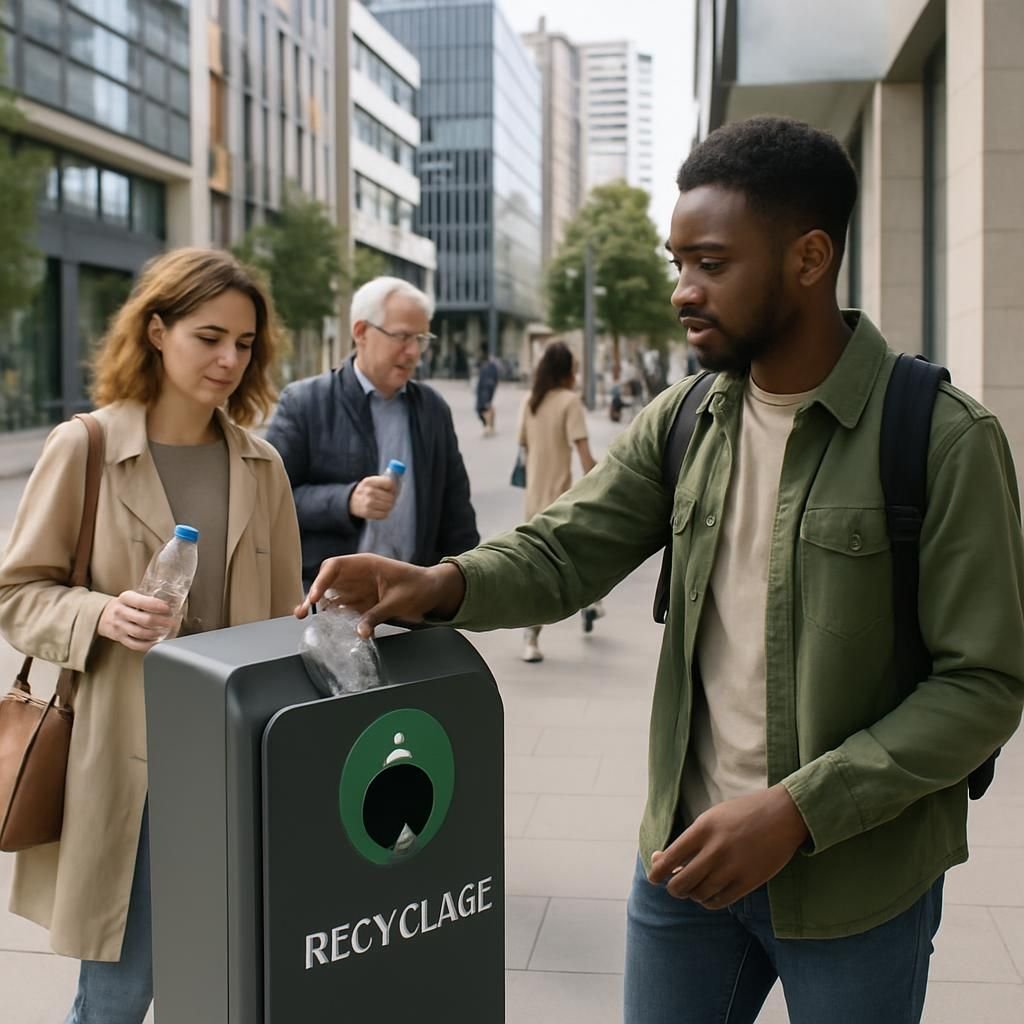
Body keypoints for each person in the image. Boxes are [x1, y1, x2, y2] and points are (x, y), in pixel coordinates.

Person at [296, 116, 1024, 1024]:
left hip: (859, 887)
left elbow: (984, 684)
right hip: (683, 868)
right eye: (676, 261)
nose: (683, 290)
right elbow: (562, 549)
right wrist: (438, 583)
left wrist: (797, 811)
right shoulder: (686, 418)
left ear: (809, 258)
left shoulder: (945, 437)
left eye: (711, 263)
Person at [0, 247, 303, 1024]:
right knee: (116, 999)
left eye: (244, 343)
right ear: (158, 331)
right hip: (125, 776)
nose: (230, 359)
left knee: (225, 992)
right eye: (210, 337)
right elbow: (17, 593)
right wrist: (100, 614)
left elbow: (281, 628)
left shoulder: (262, 467)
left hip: (232, 770)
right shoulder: (87, 446)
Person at [265, 276, 479, 588]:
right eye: (403, 337)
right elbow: (269, 502)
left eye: (421, 339)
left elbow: (456, 514)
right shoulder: (305, 403)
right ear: (361, 332)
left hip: (413, 604)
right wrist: (346, 500)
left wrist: (463, 589)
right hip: (328, 604)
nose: (413, 352)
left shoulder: (432, 410)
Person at [516, 341, 601, 663]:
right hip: (562, 500)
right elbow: (584, 457)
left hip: (534, 500)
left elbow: (525, 449)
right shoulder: (569, 402)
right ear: (567, 371)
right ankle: (589, 605)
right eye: (575, 369)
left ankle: (532, 637)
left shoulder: (530, 401)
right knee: (580, 559)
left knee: (541, 569)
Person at [475, 348, 500, 436]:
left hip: (485, 390)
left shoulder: (486, 366)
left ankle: (488, 427)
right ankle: (490, 427)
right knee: (487, 407)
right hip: (487, 389)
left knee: (485, 408)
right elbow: (496, 380)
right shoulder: (490, 366)